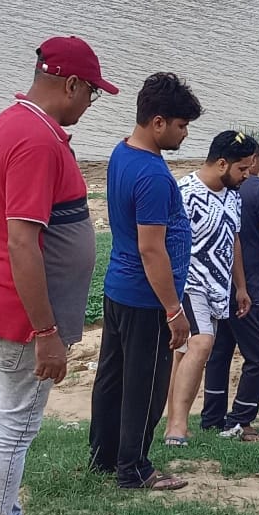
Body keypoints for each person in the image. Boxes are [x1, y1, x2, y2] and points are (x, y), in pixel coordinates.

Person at [0, 36, 117, 515]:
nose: (89, 103)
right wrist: (46, 330)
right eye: (91, 93)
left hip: (17, 304)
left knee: (14, 418)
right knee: (16, 422)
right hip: (25, 314)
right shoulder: (34, 140)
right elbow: (23, 242)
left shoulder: (18, 122)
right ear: (70, 84)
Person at [88, 72, 201, 491]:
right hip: (145, 294)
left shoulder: (122, 153)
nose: (184, 134)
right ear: (158, 122)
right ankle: (133, 467)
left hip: (118, 287)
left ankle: (103, 454)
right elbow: (151, 248)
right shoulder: (153, 175)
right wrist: (173, 309)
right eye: (181, 125)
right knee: (147, 385)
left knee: (112, 377)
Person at [162, 130, 256, 447]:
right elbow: (164, 240)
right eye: (242, 169)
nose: (247, 175)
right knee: (201, 344)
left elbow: (234, 240)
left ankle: (168, 424)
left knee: (184, 354)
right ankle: (177, 427)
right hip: (188, 283)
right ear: (220, 163)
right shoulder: (184, 192)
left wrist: (240, 286)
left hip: (217, 287)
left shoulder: (233, 196)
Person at [202, 139, 259, 442]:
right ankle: (240, 419)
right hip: (247, 287)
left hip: (216, 284)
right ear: (252, 161)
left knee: (220, 352)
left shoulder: (215, 187)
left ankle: (211, 417)